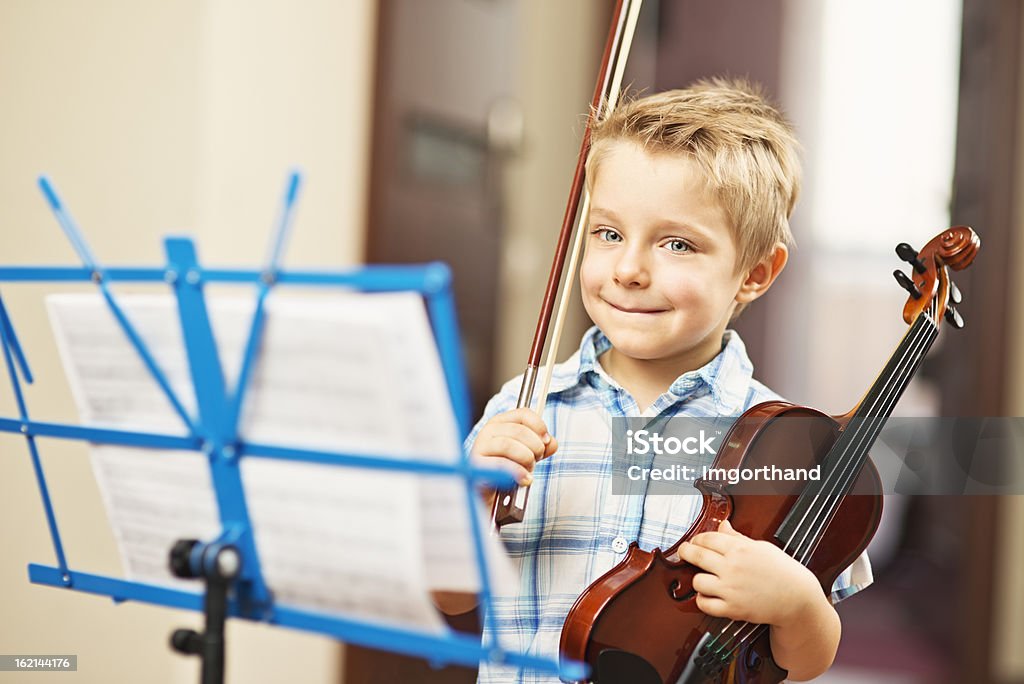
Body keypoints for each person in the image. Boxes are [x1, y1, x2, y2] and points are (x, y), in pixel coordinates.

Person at [436, 78, 871, 683]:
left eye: (676, 244)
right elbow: (448, 597)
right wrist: (469, 503)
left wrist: (796, 603)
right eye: (609, 233)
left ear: (756, 272)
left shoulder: (790, 447)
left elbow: (807, 660)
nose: (629, 269)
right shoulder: (524, 408)